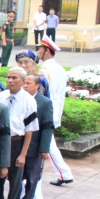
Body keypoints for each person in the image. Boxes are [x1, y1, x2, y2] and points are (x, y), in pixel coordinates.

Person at [0, 69, 38, 199]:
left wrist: (23, 154)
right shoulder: (1, 97)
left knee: (15, 180)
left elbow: (30, 130)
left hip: (17, 143)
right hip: (0, 143)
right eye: (8, 77)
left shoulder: (28, 101)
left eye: (14, 78)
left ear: (22, 81)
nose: (10, 80)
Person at [35, 37, 73, 186]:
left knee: (48, 144)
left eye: (40, 49)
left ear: (47, 51)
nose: (38, 52)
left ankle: (64, 174)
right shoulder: (60, 68)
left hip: (48, 110)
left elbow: (42, 92)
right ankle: (65, 173)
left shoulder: (44, 70)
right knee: (50, 143)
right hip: (57, 108)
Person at [21, 73, 54, 199]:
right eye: (24, 83)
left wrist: (44, 149)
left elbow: (47, 127)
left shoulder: (45, 103)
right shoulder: (18, 99)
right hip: (18, 145)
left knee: (32, 177)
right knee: (16, 178)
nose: (25, 86)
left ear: (37, 85)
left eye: (28, 83)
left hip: (34, 147)